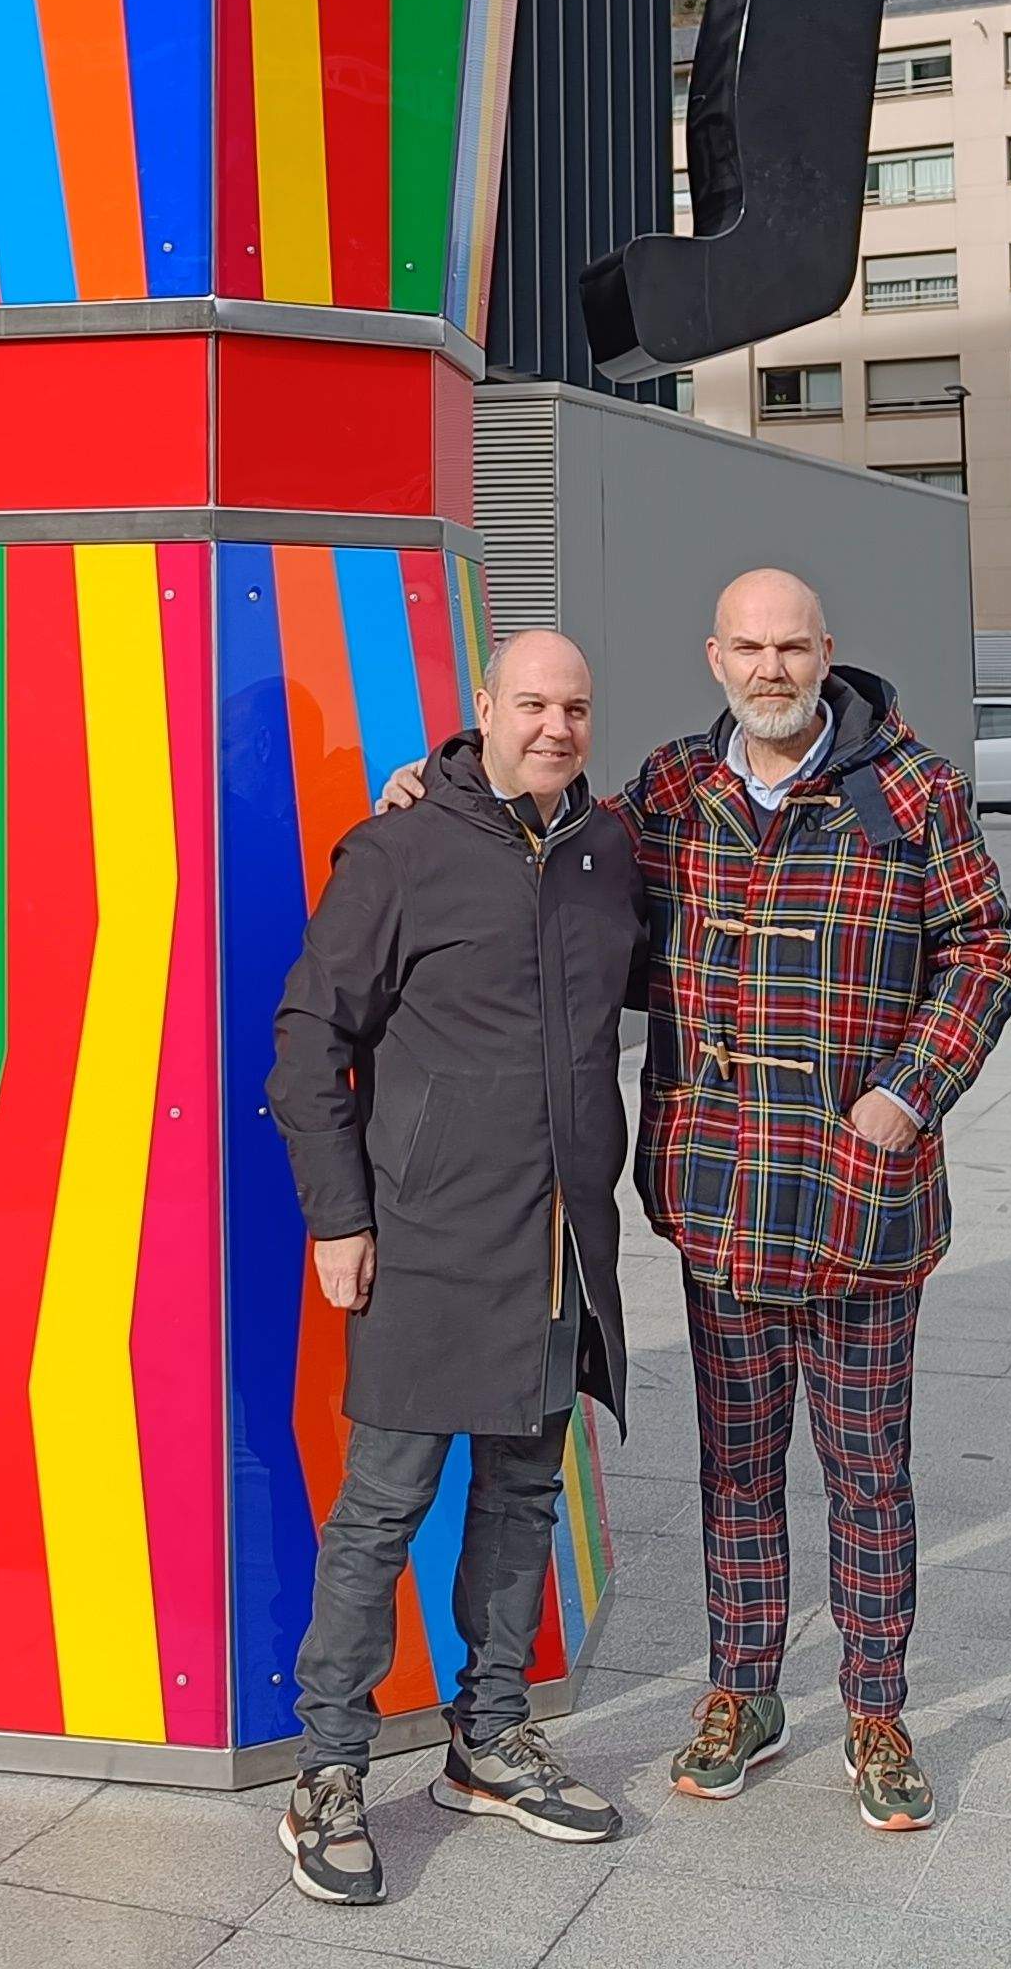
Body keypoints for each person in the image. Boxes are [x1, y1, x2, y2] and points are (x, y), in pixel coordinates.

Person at [377, 568, 1011, 1834]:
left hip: (861, 1200)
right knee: (734, 1468)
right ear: (714, 658)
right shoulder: (674, 788)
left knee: (866, 1473)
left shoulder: (915, 790)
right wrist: (443, 783)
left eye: (791, 647)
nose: (770, 668)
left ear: (825, 652)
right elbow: (549, 842)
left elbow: (984, 947)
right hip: (723, 1197)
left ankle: (876, 1711)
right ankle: (741, 1694)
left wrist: (910, 1090)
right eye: (748, 648)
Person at [264, 629, 643, 1907]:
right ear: (483, 707)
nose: (554, 727)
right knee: (382, 1507)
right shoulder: (399, 851)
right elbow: (307, 1037)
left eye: (574, 708)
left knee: (523, 1492)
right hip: (427, 1241)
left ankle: (489, 1741)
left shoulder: (606, 851)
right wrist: (338, 1217)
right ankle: (327, 1771)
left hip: (557, 1242)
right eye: (531, 703)